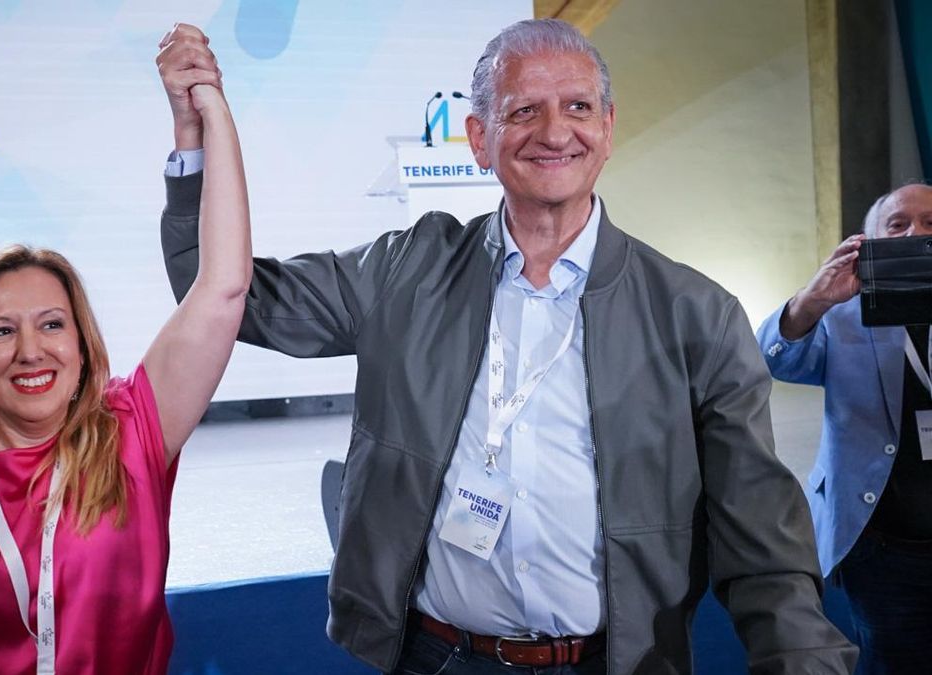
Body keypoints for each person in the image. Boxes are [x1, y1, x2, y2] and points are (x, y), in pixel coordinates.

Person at [158, 19, 856, 675]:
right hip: (434, 656)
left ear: (608, 129)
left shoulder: (696, 314)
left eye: (579, 108)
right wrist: (196, 141)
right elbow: (224, 294)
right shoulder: (408, 269)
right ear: (478, 136)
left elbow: (764, 542)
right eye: (523, 111)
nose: (555, 132)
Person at [0, 77, 250, 674]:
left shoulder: (133, 434)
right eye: (2, 331)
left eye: (52, 325)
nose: (31, 351)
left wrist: (206, 114)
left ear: (84, 347)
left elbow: (222, 288)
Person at [757, 183, 932, 674]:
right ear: (867, 242)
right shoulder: (839, 317)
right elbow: (775, 359)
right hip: (881, 548)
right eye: (897, 225)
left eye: (930, 225)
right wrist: (813, 299)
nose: (914, 234)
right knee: (892, 659)